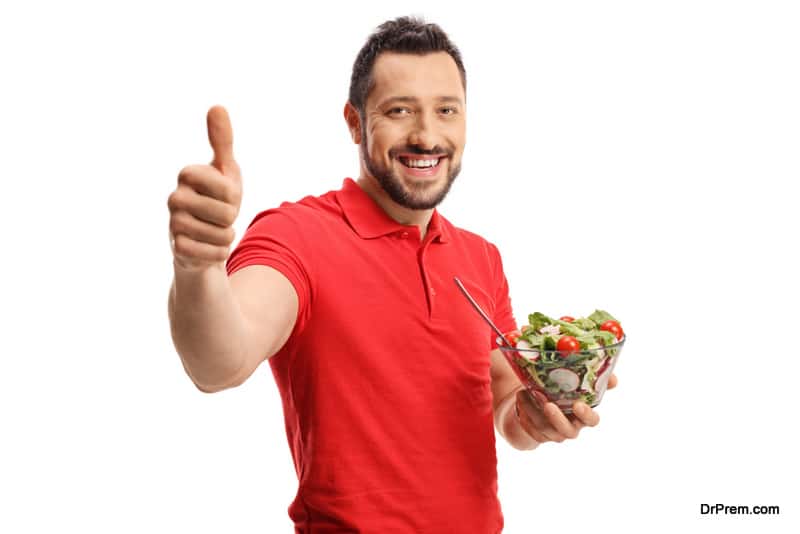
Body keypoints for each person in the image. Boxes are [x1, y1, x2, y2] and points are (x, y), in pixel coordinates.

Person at [167, 16, 618, 533]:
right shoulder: (297, 234)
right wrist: (197, 266)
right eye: (399, 111)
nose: (426, 136)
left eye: (446, 111)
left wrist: (537, 416)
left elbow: (503, 405)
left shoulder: (482, 258)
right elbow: (219, 361)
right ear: (356, 122)